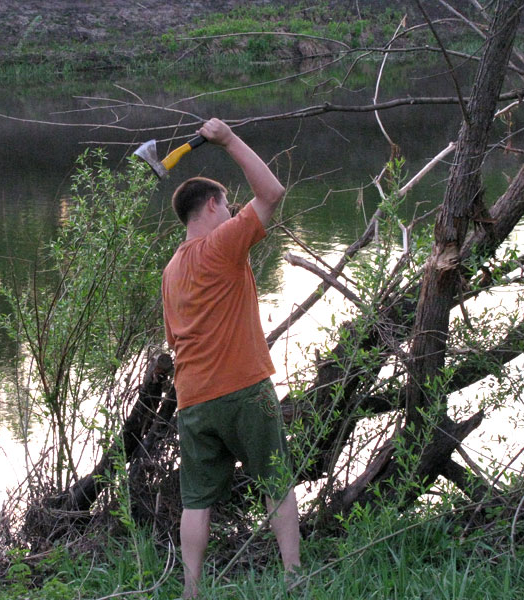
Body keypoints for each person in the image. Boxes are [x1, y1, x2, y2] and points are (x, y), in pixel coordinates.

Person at [161, 118, 301, 598]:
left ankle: (191, 590)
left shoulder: (171, 271)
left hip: (193, 401)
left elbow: (174, 339)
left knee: (196, 501)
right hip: (243, 389)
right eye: (227, 205)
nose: (233, 212)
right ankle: (293, 577)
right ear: (211, 205)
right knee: (277, 482)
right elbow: (272, 192)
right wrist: (227, 139)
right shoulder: (221, 245)